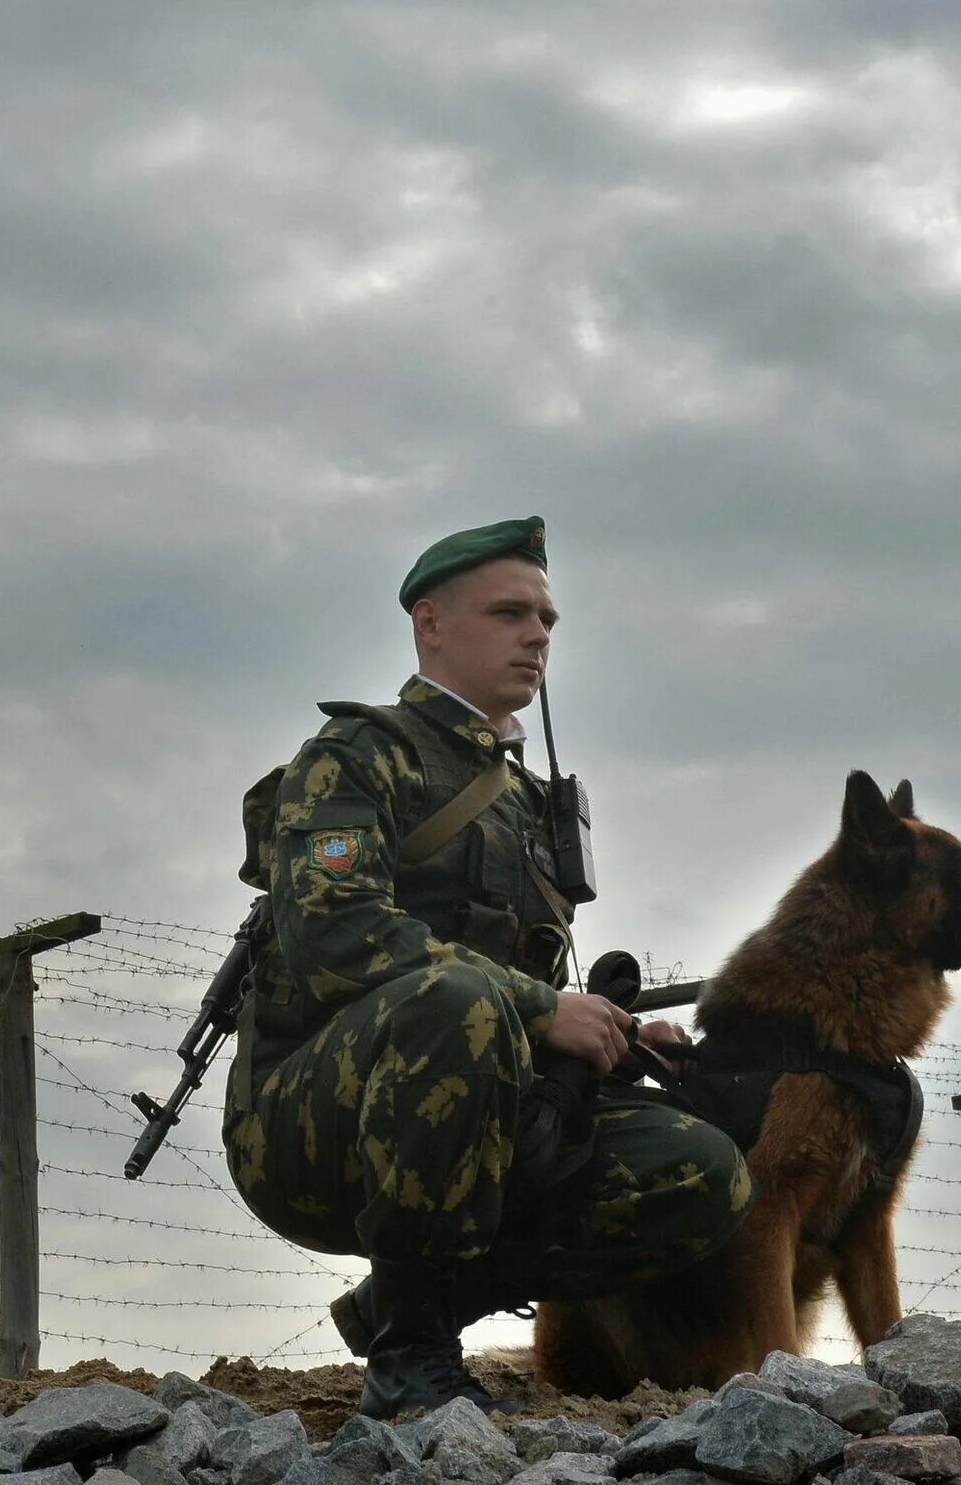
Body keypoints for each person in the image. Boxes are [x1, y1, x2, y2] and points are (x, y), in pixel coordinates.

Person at [222, 516, 751, 1417]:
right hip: (310, 1121)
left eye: (546, 618)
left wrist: (611, 1036)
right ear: (432, 623)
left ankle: (407, 1306)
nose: (538, 634)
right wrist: (540, 1009)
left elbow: (527, 987)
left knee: (704, 1168)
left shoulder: (525, 799)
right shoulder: (356, 759)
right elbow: (334, 934)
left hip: (479, 1107)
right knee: (456, 1000)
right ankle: (413, 1361)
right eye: (510, 613)